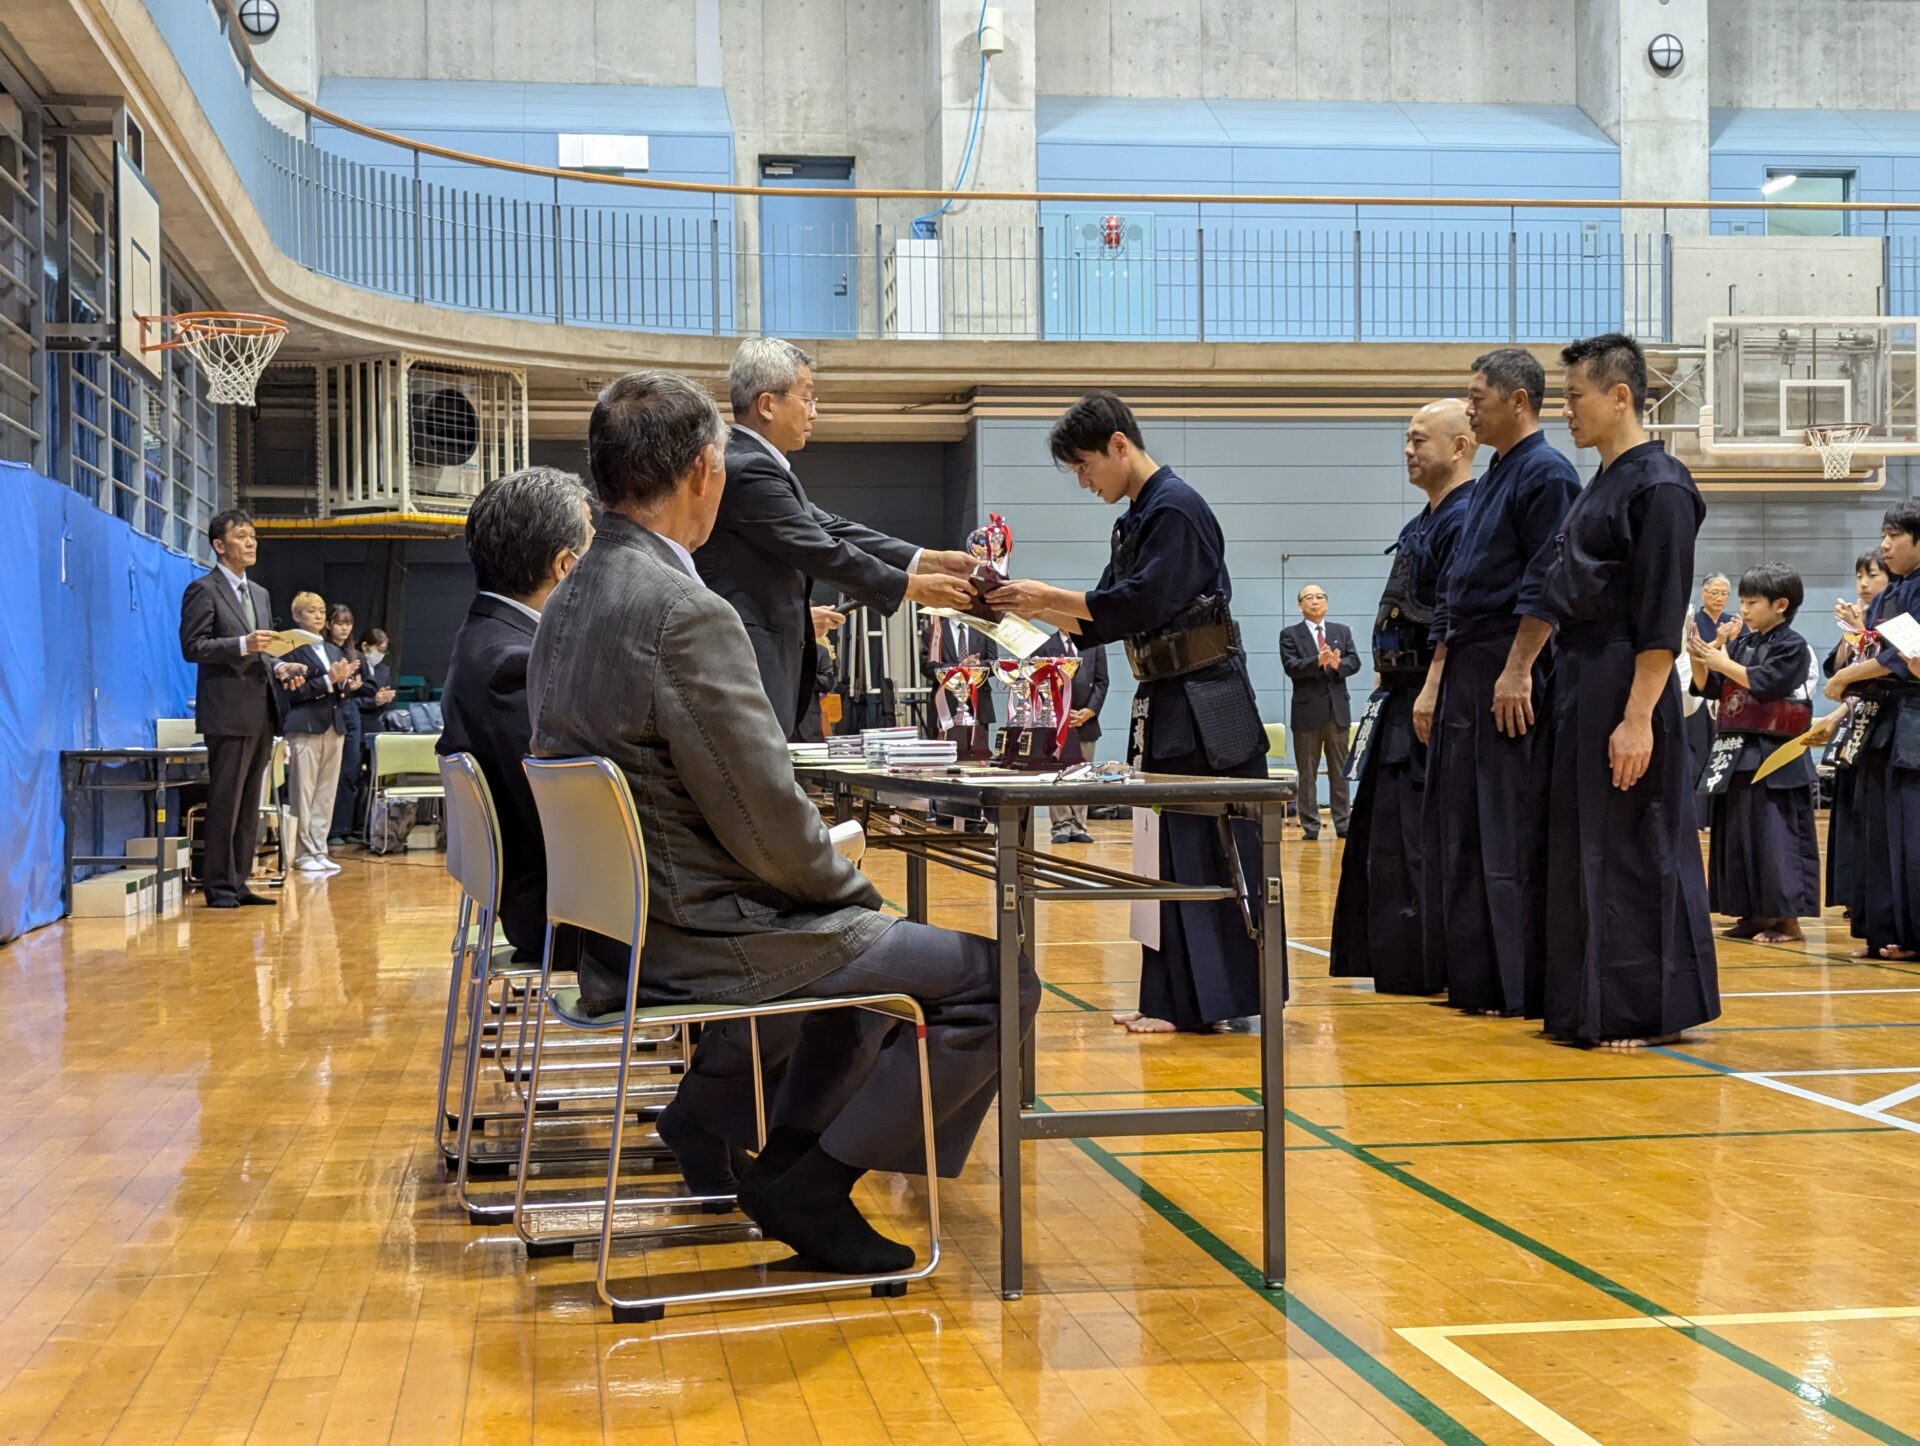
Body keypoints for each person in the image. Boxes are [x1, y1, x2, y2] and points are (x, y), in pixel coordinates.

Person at [529, 370, 1038, 1273]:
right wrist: (857, 896)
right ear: (704, 473)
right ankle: (810, 1182)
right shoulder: (684, 611)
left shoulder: (564, 605)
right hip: (708, 932)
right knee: (997, 980)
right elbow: (766, 824)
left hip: (620, 930)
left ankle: (752, 1141)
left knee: (864, 957)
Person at [987, 391, 1271, 1035]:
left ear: (1120, 444)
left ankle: (1209, 1003)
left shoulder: (1177, 509)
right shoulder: (1135, 519)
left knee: (1209, 848)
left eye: (1086, 466)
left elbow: (1141, 602)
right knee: (1165, 850)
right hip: (1167, 698)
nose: (1085, 482)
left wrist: (1045, 596)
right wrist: (1014, 610)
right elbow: (1104, 613)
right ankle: (1169, 1000)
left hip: (1209, 701)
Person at [1500, 332, 1717, 1048]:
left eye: (1573, 397)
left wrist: (1638, 718)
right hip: (1582, 676)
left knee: (1632, 845)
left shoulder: (1661, 486)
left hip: (1629, 678)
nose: (1566, 412)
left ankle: (1642, 1008)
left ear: (1619, 396)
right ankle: (1586, 1001)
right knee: (1581, 843)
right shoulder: (1604, 481)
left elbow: (1659, 617)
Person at [693, 338, 977, 738]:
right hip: (749, 658)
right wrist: (912, 587)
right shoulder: (748, 468)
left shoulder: (755, 463)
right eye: (807, 398)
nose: (814, 411)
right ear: (768, 405)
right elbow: (820, 551)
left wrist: (926, 558)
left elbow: (832, 527)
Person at [1413, 347, 1580, 1017]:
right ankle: (1475, 976)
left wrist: (1517, 669)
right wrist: (1438, 676)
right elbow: (1458, 589)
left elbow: (1547, 578)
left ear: (1519, 402)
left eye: (1480, 395)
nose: (1471, 403)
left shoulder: (1548, 474)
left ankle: (1516, 983)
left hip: (1510, 664)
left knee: (1506, 826)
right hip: (1469, 664)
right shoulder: (1492, 479)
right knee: (1461, 825)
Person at [1330, 399, 1477, 995]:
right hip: (1398, 694)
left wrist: (1432, 687)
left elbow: (1455, 615)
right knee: (1386, 835)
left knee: (1420, 835)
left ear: (1461, 445)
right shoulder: (1421, 521)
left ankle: (1432, 960)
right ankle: (1399, 960)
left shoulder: (1468, 517)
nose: (1409, 451)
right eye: (1406, 441)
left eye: (1420, 440)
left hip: (1432, 698)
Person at [177, 510, 309, 908]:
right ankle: (217, 885)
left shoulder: (261, 595)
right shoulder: (204, 589)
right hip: (227, 711)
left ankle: (239, 880)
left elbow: (264, 651)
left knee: (251, 802)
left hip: (261, 709)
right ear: (220, 545)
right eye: (241, 536)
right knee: (226, 800)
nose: (251, 543)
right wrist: (241, 645)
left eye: (253, 536)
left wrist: (282, 665)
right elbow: (193, 647)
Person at [1689, 563, 1822, 943]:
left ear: (1781, 604)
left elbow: (1766, 683)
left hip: (1776, 751)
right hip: (1736, 749)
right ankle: (1751, 913)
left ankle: (1785, 919)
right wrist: (1701, 658)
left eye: (1752, 602)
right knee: (1739, 833)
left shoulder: (1792, 645)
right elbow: (1711, 687)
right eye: (1742, 601)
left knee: (1775, 835)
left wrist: (1721, 660)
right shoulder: (1744, 644)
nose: (1743, 609)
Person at [1824, 500, 1920, 962]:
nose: (1885, 545)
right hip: (1879, 721)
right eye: (1884, 534)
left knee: (1910, 832)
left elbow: (1905, 659)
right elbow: (1878, 654)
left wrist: (1845, 677)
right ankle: (1882, 930)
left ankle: (1914, 934)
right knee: (1876, 830)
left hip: (1913, 722)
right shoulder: (1887, 595)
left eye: (1895, 535)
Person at [1820, 549, 1891, 912]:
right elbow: (1838, 673)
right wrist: (1853, 634)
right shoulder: (1862, 621)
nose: (1863, 583)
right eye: (1860, 575)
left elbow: (1882, 674)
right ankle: (1854, 896)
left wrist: (1863, 633)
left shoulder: (1894, 619)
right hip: (1856, 729)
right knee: (1850, 810)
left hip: (1885, 729)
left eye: (1873, 575)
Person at [280, 591, 360, 876]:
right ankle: (302, 852)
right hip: (306, 726)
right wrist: (330, 680)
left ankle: (318, 848)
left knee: (326, 793)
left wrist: (347, 683)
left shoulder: (334, 650)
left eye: (322, 610)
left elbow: (341, 691)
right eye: (311, 610)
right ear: (297, 616)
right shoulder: (289, 649)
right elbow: (294, 691)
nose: (318, 616)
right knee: (303, 791)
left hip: (334, 724)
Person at [1279, 585, 1361, 841]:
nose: (1315, 601)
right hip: (1306, 714)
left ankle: (1343, 823)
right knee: (1308, 773)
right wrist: (1318, 661)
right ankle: (1311, 826)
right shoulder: (1290, 634)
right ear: (1300, 605)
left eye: (1320, 596)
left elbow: (1354, 662)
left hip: (1337, 713)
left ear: (1326, 602)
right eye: (1309, 597)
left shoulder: (1341, 631)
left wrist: (1338, 664)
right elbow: (1291, 667)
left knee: (1340, 772)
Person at [1035, 632, 1108, 844]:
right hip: (1056, 722)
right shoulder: (1045, 645)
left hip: (1085, 722)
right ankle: (1060, 826)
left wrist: (1090, 711)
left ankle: (1079, 825)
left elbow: (1103, 682)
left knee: (1082, 775)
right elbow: (1039, 682)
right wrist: (1059, 714)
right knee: (1056, 776)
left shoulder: (1095, 644)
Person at [1684, 575, 1737, 831]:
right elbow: (1691, 653)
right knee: (1696, 753)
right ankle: (1697, 816)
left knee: (1721, 755)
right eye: (1714, 592)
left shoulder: (1734, 623)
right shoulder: (1693, 621)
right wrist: (1719, 639)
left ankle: (1717, 817)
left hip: (1727, 698)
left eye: (1724, 593)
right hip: (1698, 694)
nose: (1719, 598)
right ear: (1703, 594)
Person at [920, 611, 999, 753]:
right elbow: (927, 667)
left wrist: (978, 665)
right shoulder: (934, 632)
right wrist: (958, 667)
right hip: (947, 703)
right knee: (944, 754)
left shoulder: (984, 629)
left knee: (978, 754)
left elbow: (994, 663)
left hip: (979, 702)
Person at [325, 604, 369, 846]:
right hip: (332, 711)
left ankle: (345, 826)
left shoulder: (355, 653)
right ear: (329, 624)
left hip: (352, 712)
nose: (344, 628)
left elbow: (367, 688)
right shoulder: (324, 649)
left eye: (348, 623)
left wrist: (357, 688)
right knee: (333, 773)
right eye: (340, 623)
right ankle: (330, 830)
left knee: (351, 771)